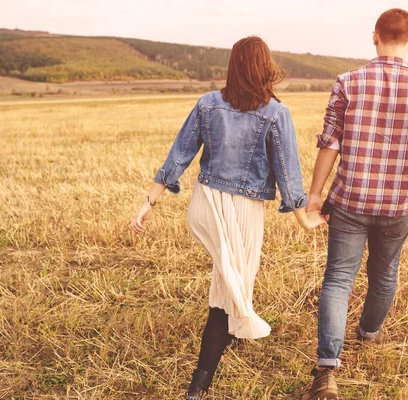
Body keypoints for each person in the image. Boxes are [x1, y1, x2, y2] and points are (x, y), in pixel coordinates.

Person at [130, 36, 326, 399]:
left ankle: (232, 334)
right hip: (243, 208)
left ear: (233, 66)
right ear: (266, 67)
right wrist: (303, 217)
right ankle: (198, 385)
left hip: (204, 203)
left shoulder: (208, 103)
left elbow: (179, 155)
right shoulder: (275, 112)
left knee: (231, 275)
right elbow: (288, 171)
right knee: (227, 288)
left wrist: (149, 202)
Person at [303, 9, 408, 400]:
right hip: (396, 206)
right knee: (385, 276)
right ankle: (368, 333)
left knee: (339, 279)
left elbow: (330, 143)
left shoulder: (347, 82)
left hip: (350, 200)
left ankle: (326, 372)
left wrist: (315, 193)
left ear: (375, 37)